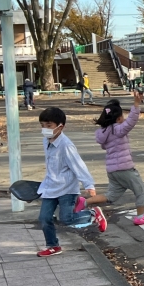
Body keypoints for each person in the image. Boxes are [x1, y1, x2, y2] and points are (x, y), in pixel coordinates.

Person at [35, 106, 106, 257]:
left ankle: (93, 214)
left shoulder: (66, 145)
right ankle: (53, 246)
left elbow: (78, 165)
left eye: (49, 126)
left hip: (67, 188)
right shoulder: (45, 142)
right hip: (50, 187)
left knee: (66, 219)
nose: (45, 129)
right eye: (42, 126)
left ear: (61, 126)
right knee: (44, 218)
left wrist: (89, 185)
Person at [86, 92, 144, 226]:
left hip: (112, 170)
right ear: (118, 118)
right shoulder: (118, 129)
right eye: (122, 116)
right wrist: (136, 105)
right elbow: (131, 121)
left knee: (111, 196)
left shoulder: (104, 132)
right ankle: (140, 216)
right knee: (140, 190)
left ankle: (84, 202)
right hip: (125, 168)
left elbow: (104, 146)